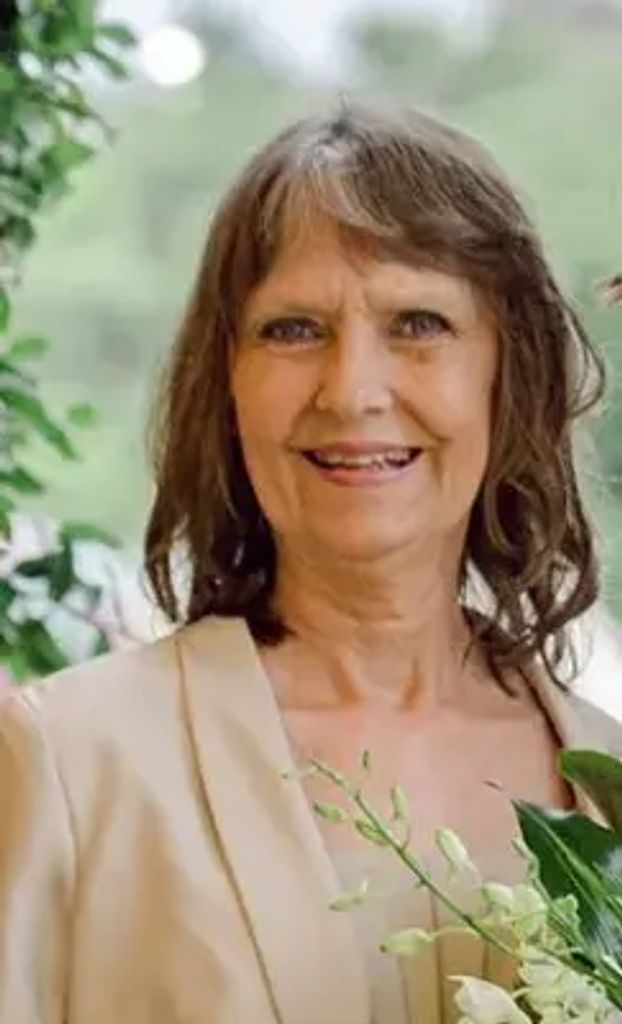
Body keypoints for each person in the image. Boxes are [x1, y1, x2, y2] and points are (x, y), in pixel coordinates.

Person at [1, 101, 620, 1024]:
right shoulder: (66, 762)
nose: (352, 390)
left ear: (511, 371)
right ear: (227, 383)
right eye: (293, 329)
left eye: (418, 322)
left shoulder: (608, 778)